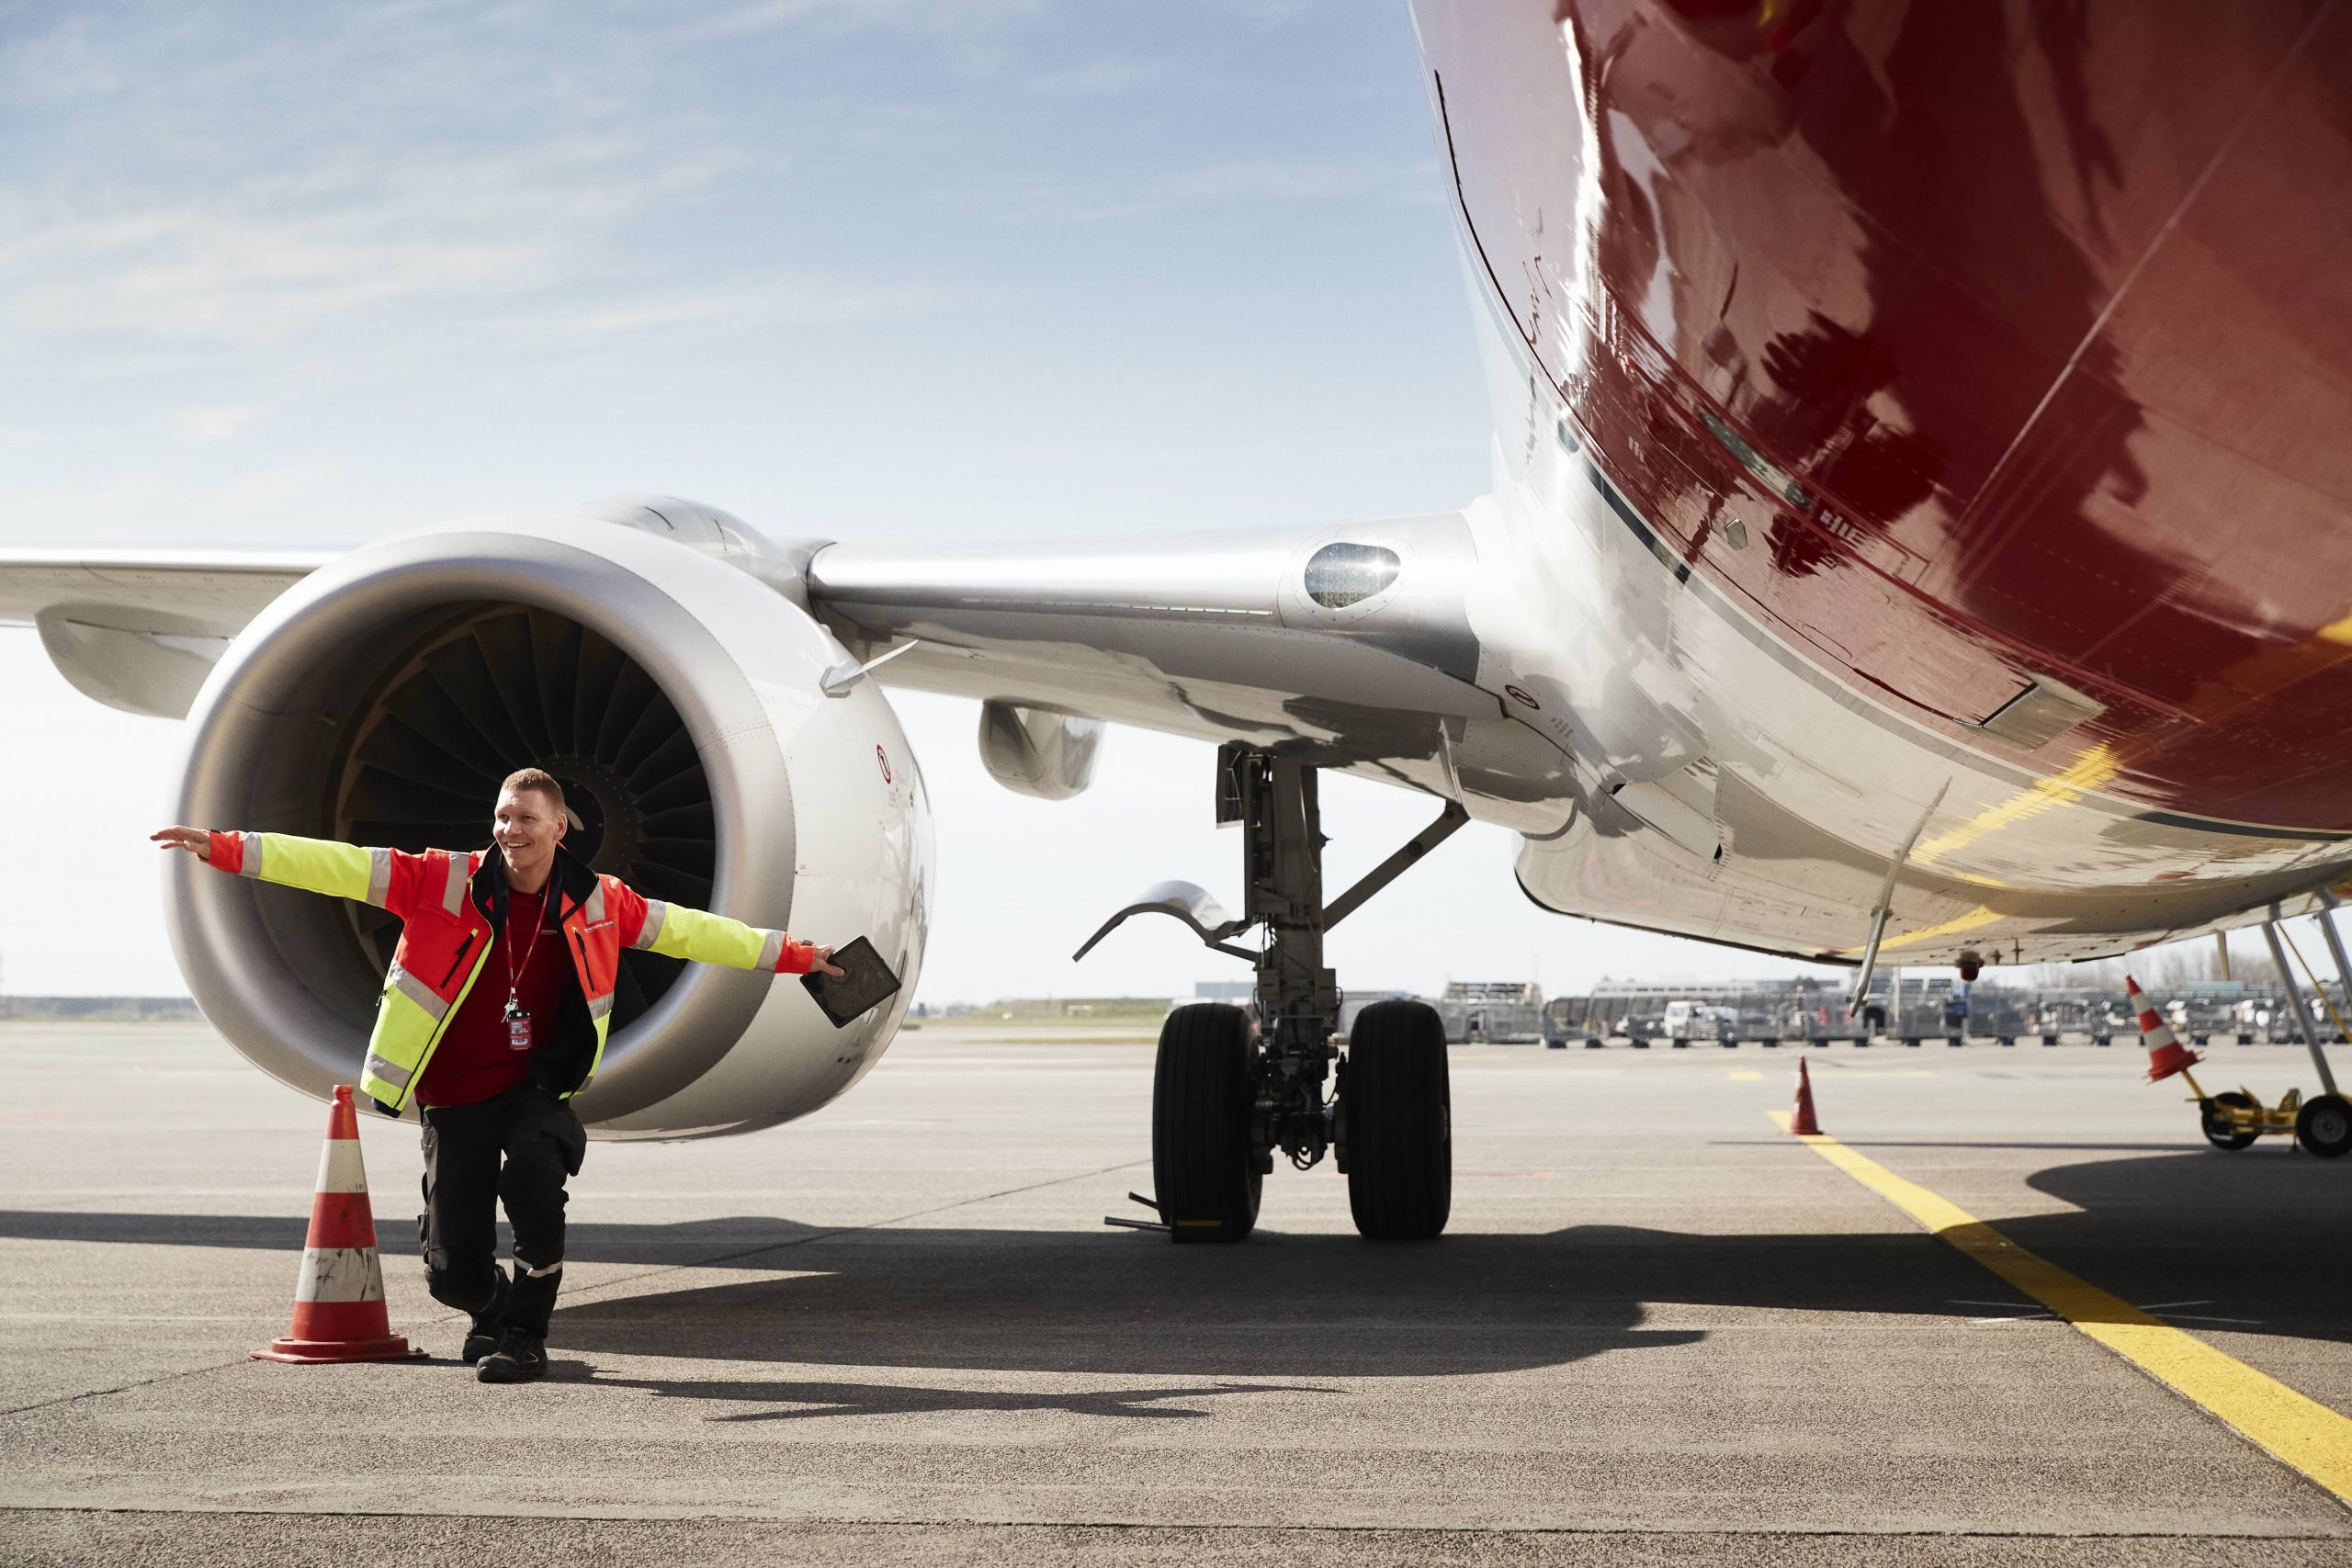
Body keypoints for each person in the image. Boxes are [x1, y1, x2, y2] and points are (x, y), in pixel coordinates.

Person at [153, 767, 844, 1384]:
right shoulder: (437, 880)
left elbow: (700, 933)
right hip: (454, 1090)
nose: (510, 830)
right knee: (452, 1274)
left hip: (537, 1082)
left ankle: (524, 1334)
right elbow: (336, 865)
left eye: (525, 818)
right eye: (503, 817)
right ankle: (491, 1306)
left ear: (559, 827)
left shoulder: (602, 902)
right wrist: (226, 846)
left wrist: (801, 955)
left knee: (536, 1179)